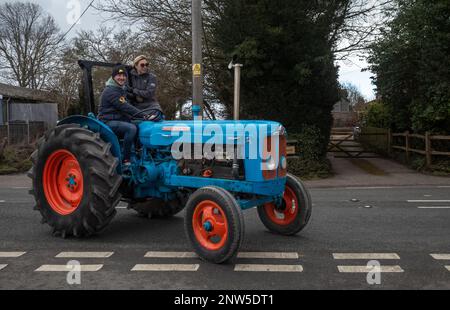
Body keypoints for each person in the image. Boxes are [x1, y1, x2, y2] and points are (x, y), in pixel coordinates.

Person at [98, 65, 153, 167]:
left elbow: (128, 106)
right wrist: (144, 115)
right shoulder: (111, 90)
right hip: (107, 122)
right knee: (131, 128)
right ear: (113, 77)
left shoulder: (120, 89)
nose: (121, 77)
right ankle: (126, 158)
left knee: (141, 125)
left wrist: (144, 117)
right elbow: (125, 107)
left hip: (120, 119)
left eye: (124, 75)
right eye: (119, 75)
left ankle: (139, 151)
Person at [127, 55, 165, 122]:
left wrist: (134, 90)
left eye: (146, 65)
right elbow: (126, 91)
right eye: (142, 65)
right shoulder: (129, 76)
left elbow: (149, 93)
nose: (145, 67)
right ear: (136, 66)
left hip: (150, 105)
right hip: (136, 106)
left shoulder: (152, 77)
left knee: (157, 116)